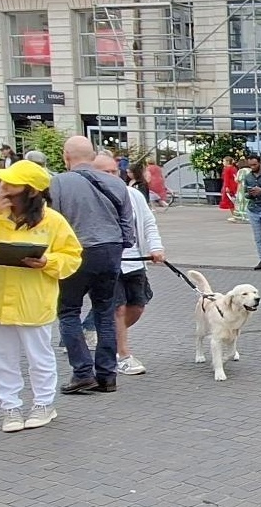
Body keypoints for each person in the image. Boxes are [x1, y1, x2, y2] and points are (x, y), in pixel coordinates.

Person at [0, 160, 83, 433]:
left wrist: (47, 261)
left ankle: (44, 403)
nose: (4, 188)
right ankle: (10, 406)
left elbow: (72, 256)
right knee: (0, 357)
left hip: (32, 300)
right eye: (3, 181)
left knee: (39, 356)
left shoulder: (53, 221)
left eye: (12, 184)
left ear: (32, 191)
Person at [49, 136, 135, 395]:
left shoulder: (58, 183)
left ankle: (83, 373)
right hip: (110, 252)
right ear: (93, 156)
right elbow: (127, 224)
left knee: (68, 311)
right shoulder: (116, 183)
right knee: (105, 311)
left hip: (76, 250)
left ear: (66, 156)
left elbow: (52, 221)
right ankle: (107, 375)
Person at [94, 151, 164, 375]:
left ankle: (108, 339)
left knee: (138, 306)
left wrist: (155, 247)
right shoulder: (92, 197)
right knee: (119, 308)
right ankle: (123, 354)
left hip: (135, 261)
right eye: (105, 172)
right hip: (108, 262)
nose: (112, 176)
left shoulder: (133, 195)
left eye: (114, 171)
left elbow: (148, 222)